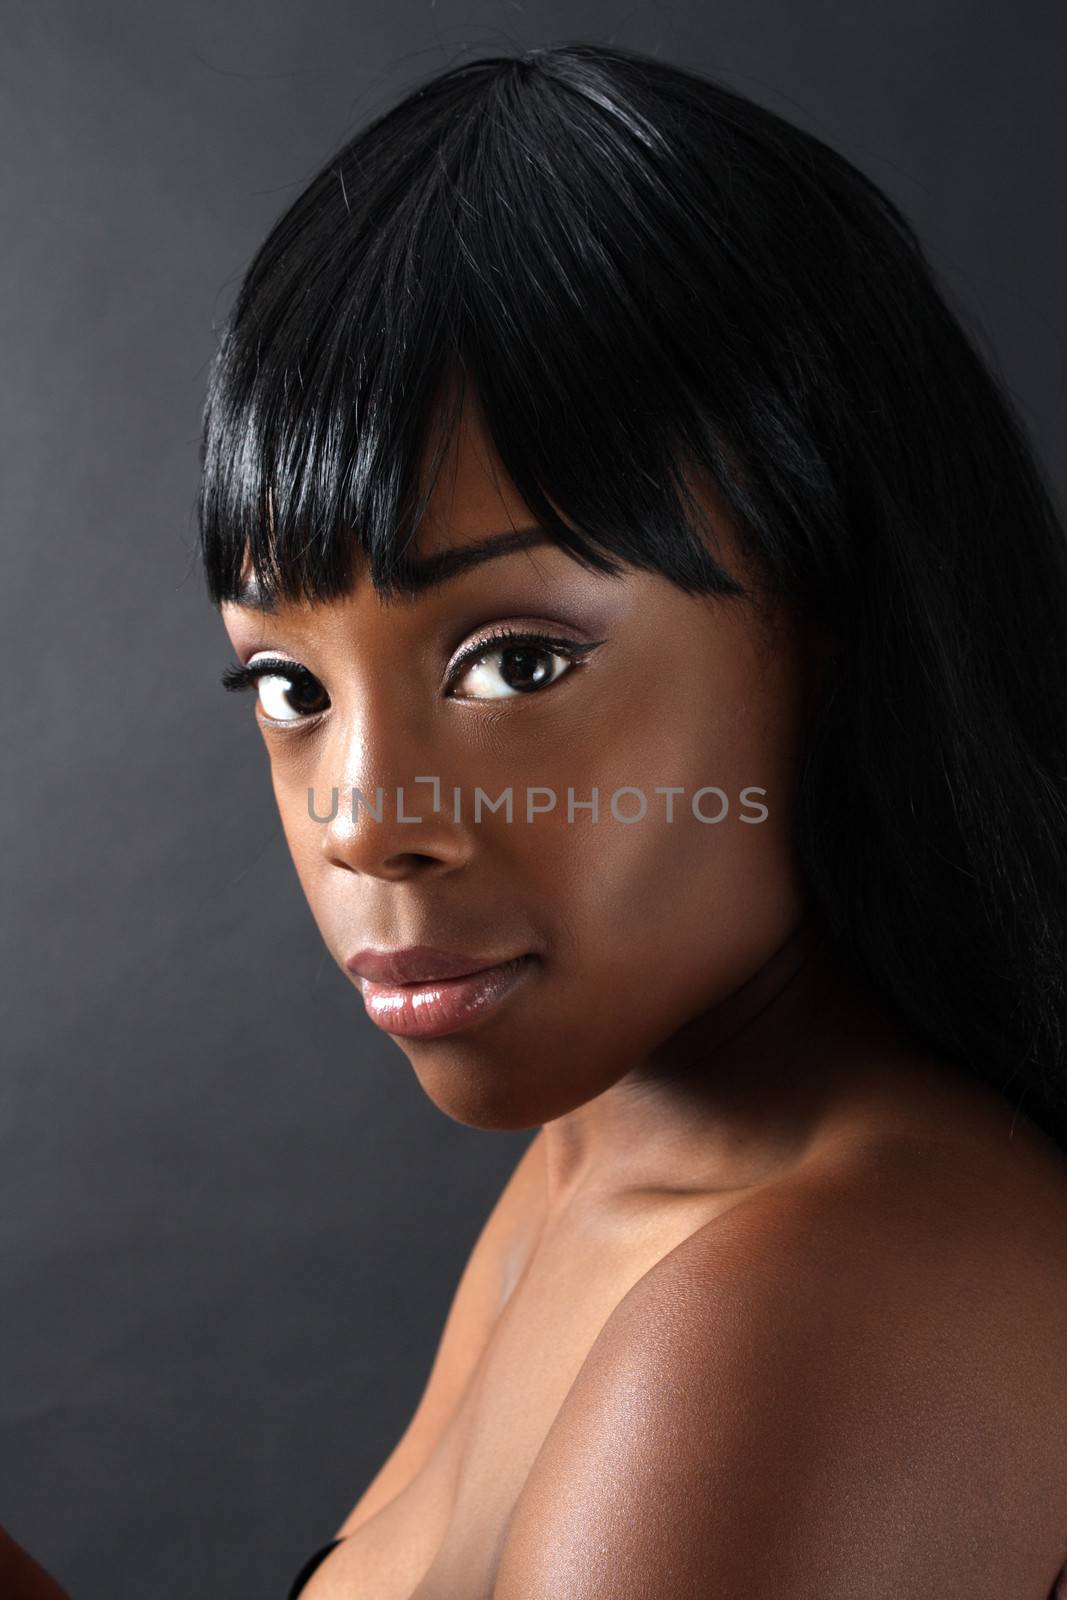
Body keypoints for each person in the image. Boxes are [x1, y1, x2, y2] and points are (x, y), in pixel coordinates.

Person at [198, 42, 1067, 1598]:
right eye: (286, 685)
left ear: (838, 624)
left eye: (514, 660)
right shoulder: (604, 1155)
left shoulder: (801, 1298)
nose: (364, 822)